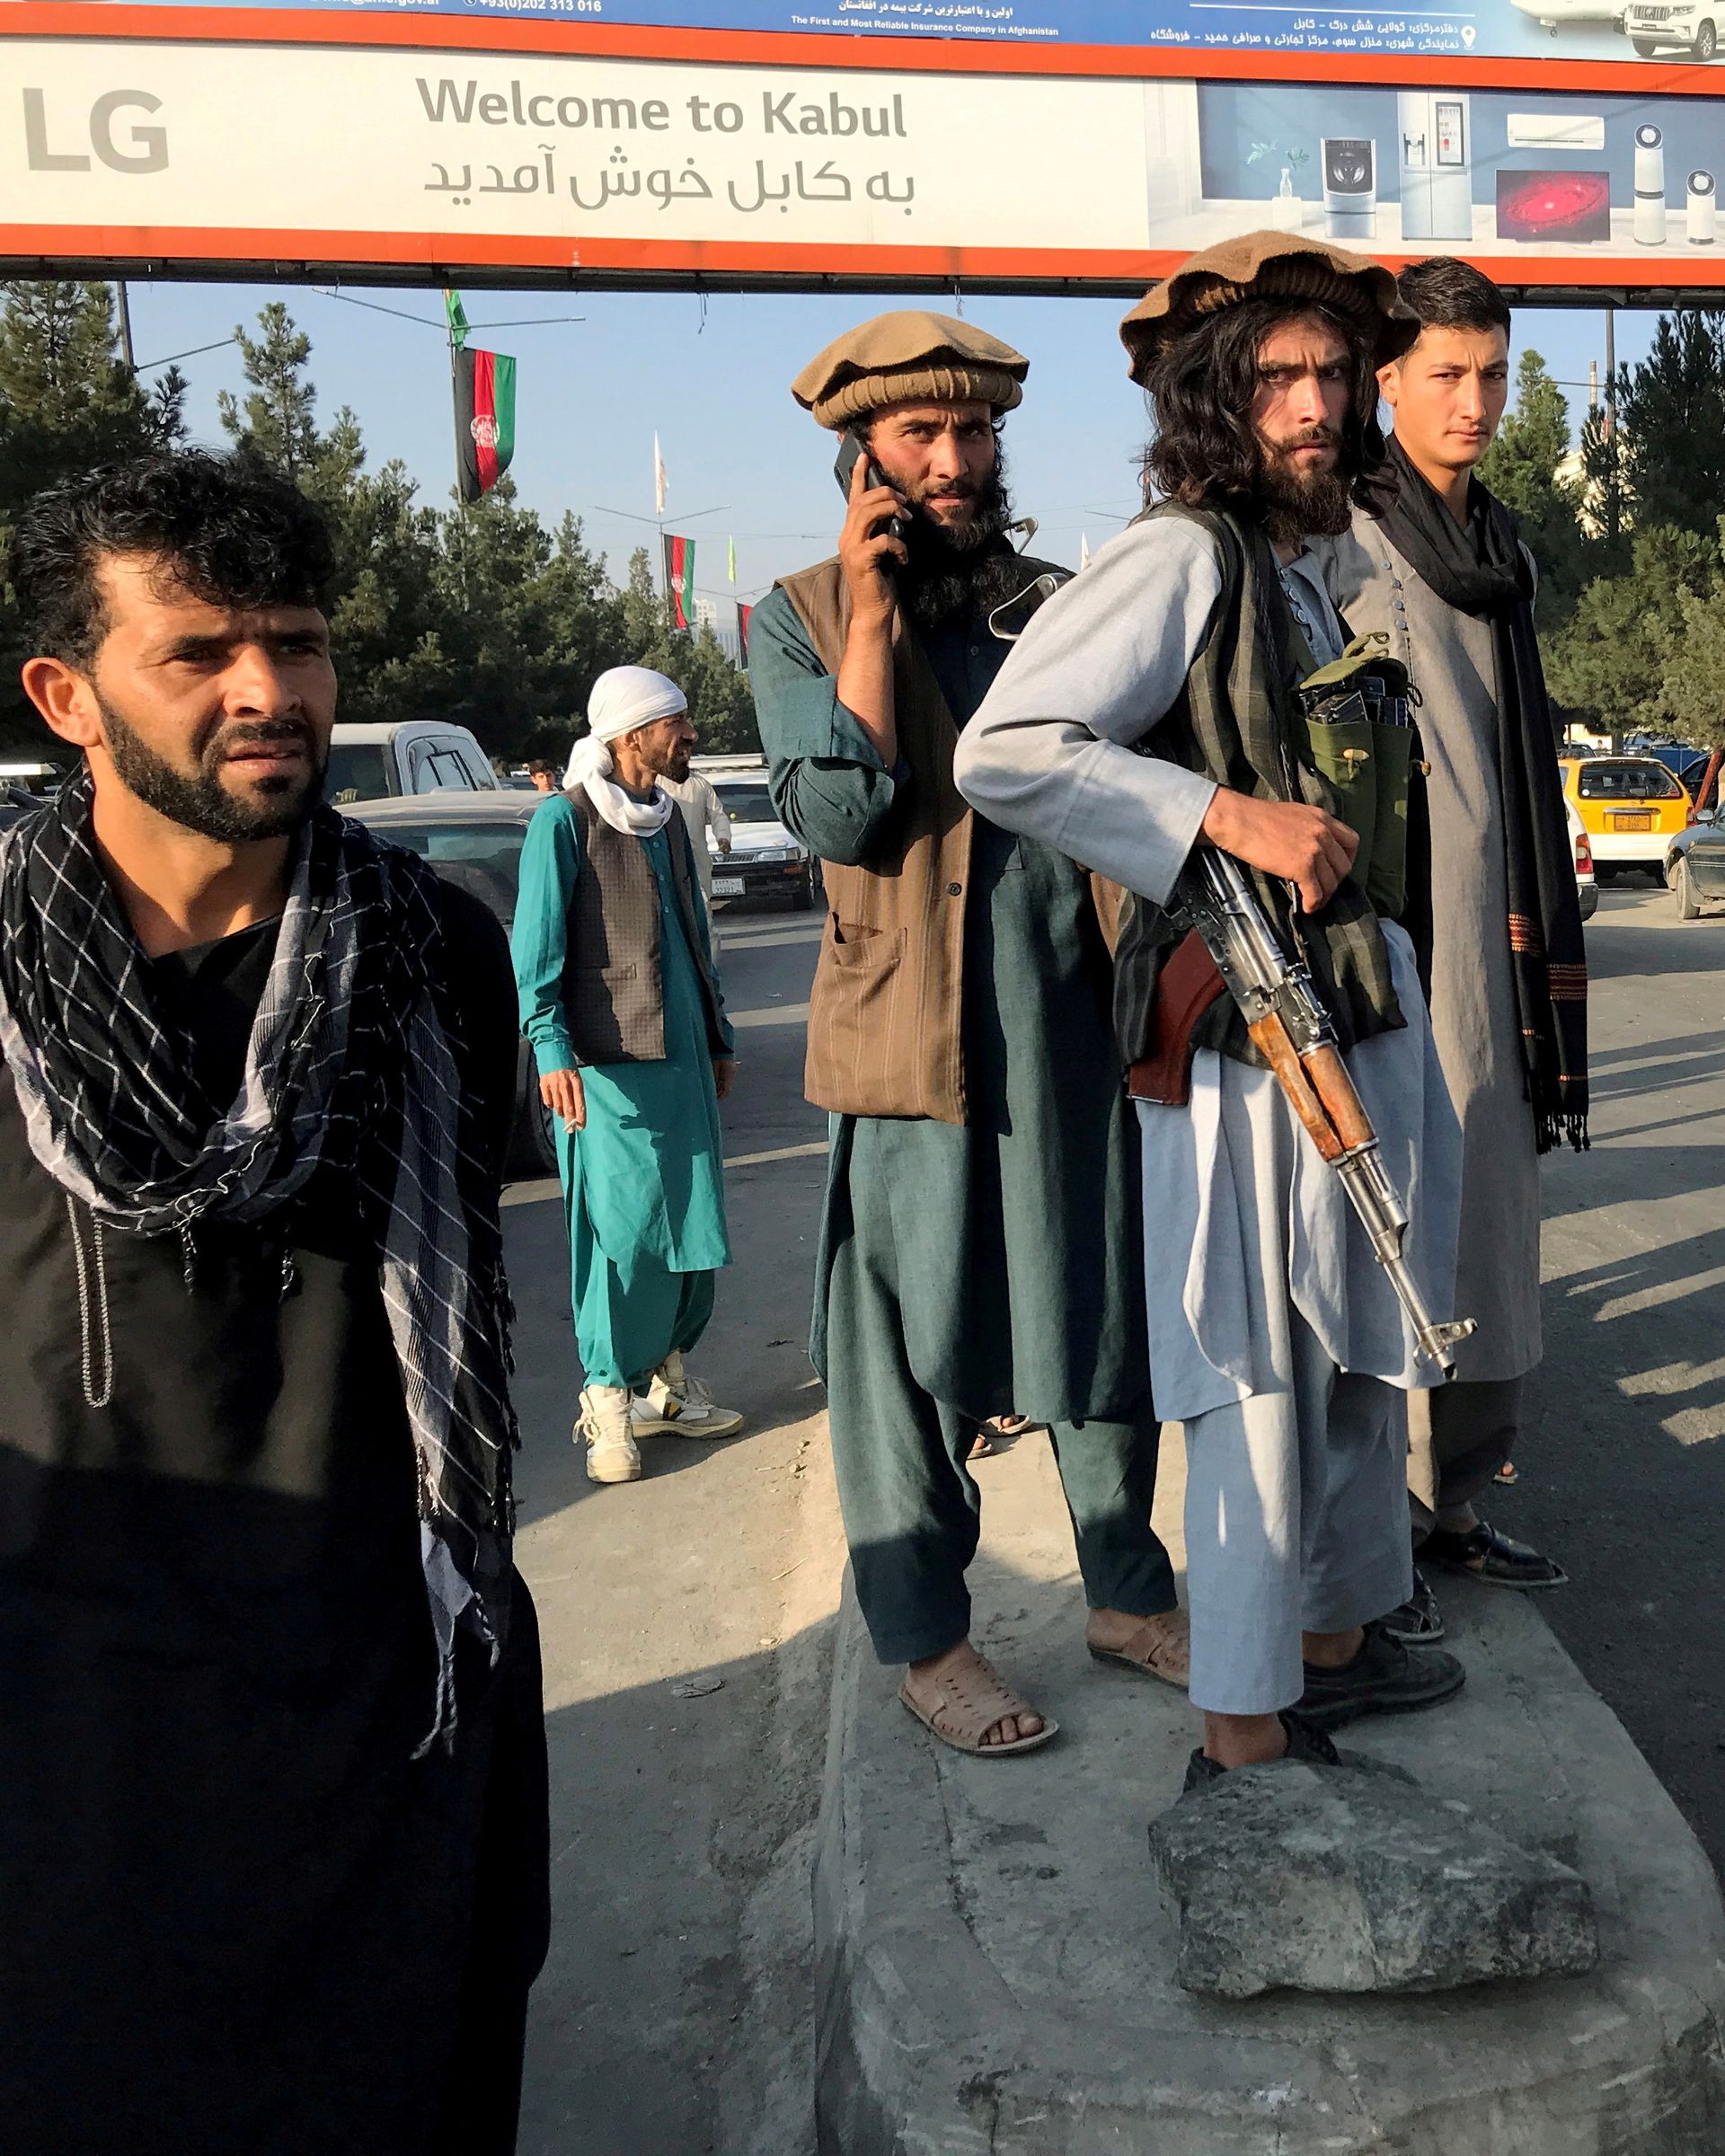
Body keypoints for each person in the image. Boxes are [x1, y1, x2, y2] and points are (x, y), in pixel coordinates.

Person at [0, 451, 548, 2154]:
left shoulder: (431, 947)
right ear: (64, 694)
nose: (270, 693)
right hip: (65, 1734)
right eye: (202, 652)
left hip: (388, 1695)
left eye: (298, 644)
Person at [953, 235, 1468, 1781]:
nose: (1315, 406)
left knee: (1362, 1342)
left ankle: (1327, 1639)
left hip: (1351, 1005)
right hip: (1248, 1037)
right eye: (1278, 379)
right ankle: (1242, 1726)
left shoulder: (1313, 561)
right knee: (1253, 1373)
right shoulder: (1184, 551)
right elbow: (1011, 748)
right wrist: (1224, 818)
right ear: (1214, 399)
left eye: (1329, 374)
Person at [750, 310, 1188, 1759]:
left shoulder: (1056, 607)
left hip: (1070, 1025)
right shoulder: (799, 615)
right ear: (857, 459)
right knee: (911, 1341)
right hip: (904, 1043)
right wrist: (874, 629)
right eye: (920, 437)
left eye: (974, 434)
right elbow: (837, 817)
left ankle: (1128, 1596)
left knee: (1098, 1309)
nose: (953, 462)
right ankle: (929, 1641)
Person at [1314, 256, 1580, 1625]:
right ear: (1387, 384)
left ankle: (1460, 1504)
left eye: (1493, 373)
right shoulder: (1341, 545)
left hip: (1506, 946)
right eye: (1447, 375)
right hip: (1386, 945)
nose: (1474, 401)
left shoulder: (1505, 550)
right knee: (1386, 1229)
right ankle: (1375, 1538)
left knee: (1488, 1225)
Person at [513, 666, 743, 1485]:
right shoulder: (564, 821)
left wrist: (716, 1037)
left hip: (682, 1060)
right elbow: (535, 949)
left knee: (689, 1224)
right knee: (621, 1236)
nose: (688, 735)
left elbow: (694, 937)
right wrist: (549, 1048)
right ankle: (607, 1396)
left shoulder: (666, 819)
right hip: (607, 1070)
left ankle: (664, 1384)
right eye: (676, 722)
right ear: (631, 733)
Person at [659, 762, 734, 901]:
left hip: (695, 856)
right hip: (665, 853)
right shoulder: (655, 784)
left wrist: (723, 837)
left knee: (701, 900)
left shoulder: (701, 785)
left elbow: (717, 814)